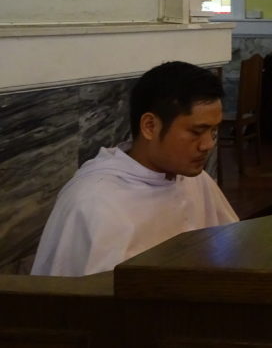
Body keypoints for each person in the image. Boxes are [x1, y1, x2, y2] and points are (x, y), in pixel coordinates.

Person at [32, 62, 238, 276]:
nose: (208, 144)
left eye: (214, 131)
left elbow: (233, 249)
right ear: (150, 126)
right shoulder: (94, 202)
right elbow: (78, 301)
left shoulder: (196, 179)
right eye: (197, 131)